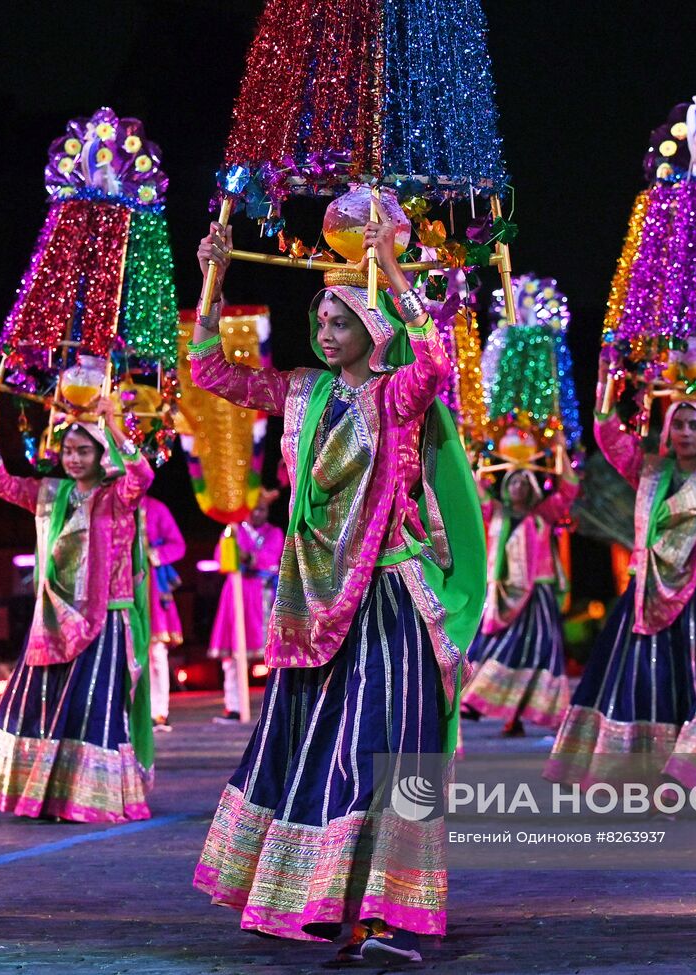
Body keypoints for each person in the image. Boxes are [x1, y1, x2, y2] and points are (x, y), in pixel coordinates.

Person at [188, 203, 484, 964]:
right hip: (317, 605)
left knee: (389, 751)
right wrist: (212, 281)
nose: (325, 332)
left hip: (388, 601)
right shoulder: (299, 395)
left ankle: (389, 912)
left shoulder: (395, 396)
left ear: (373, 329)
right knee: (322, 751)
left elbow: (436, 366)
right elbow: (209, 370)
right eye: (320, 319)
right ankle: (323, 904)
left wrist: (388, 268)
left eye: (341, 321)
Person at [546, 351, 696, 798]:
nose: (685, 432)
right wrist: (611, 378)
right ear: (667, 429)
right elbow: (607, 433)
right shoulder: (649, 471)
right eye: (679, 424)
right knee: (651, 684)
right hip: (649, 595)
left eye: (695, 425)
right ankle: (654, 777)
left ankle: (686, 772)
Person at [0, 396, 156, 822]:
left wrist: (112, 425)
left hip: (106, 619)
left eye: (84, 450)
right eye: (67, 450)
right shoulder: (50, 494)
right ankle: (46, 796)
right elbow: (0, 483)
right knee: (44, 706)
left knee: (93, 710)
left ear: (101, 454)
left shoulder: (117, 497)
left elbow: (143, 473)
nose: (73, 458)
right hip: (53, 619)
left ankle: (93, 798)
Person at [461, 465, 578, 736]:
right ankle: (478, 701)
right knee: (501, 648)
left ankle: (523, 716)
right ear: (506, 487)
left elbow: (568, 492)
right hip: (505, 595)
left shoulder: (543, 514)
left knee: (541, 651)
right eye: (513, 482)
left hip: (539, 592)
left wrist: (561, 455)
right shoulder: (498, 513)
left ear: (532, 489)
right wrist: (473, 468)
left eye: (524, 483)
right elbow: (476, 495)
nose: (518, 487)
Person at [209, 488, 283, 723]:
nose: (257, 514)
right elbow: (221, 559)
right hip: (237, 595)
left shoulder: (275, 532)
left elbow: (272, 558)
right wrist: (233, 553)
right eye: (253, 510)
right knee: (233, 656)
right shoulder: (233, 529)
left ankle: (274, 709)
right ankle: (233, 707)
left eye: (262, 509)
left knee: (274, 655)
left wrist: (249, 558)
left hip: (264, 596)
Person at [138, 495, 185, 733]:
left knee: (156, 653)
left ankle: (159, 712)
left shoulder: (156, 508)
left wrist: (151, 555)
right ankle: (133, 713)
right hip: (121, 588)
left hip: (152, 590)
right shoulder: (111, 502)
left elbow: (177, 544)